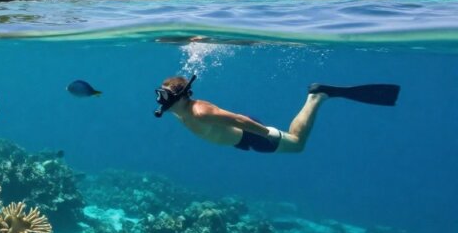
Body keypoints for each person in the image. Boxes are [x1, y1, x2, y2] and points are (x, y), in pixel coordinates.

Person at [153, 74, 399, 153]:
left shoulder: (200, 112)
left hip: (251, 134)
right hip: (240, 140)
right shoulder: (178, 110)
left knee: (296, 143)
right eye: (160, 95)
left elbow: (239, 120)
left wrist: (266, 134)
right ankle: (317, 96)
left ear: (183, 95)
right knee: (295, 144)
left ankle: (316, 97)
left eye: (165, 96)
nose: (161, 101)